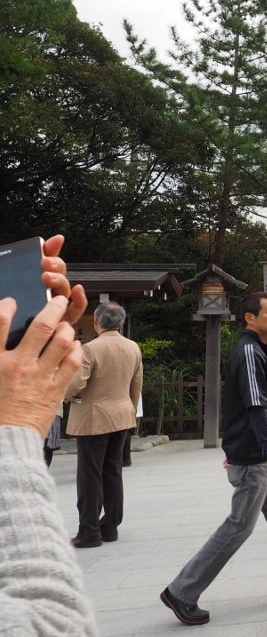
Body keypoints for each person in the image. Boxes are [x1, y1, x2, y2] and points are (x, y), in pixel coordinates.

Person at [161, 293, 267, 626]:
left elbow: (244, 406)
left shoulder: (257, 350)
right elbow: (255, 404)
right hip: (258, 458)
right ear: (249, 318)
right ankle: (182, 590)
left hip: (259, 454)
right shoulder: (250, 352)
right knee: (239, 525)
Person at [1, 234, 98, 636]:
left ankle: (93, 528)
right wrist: (14, 423)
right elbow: (51, 622)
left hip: (89, 418)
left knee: (94, 476)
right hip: (101, 419)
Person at [64, 301, 142, 547]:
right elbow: (136, 385)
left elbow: (75, 384)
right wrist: (129, 408)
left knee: (89, 475)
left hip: (93, 418)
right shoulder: (133, 347)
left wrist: (64, 394)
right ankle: (110, 527)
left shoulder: (90, 349)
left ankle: (89, 531)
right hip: (121, 414)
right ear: (121, 322)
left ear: (96, 322)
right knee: (112, 471)